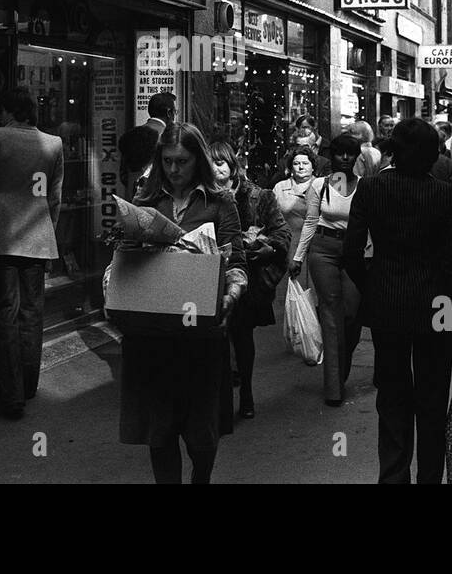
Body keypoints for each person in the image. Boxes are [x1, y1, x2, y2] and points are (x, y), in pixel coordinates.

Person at [343, 119, 452, 483]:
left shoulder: (370, 189)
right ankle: (429, 477)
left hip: (388, 308)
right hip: (437, 309)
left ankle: (394, 475)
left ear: (393, 150)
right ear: (433, 156)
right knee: (432, 401)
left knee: (393, 398)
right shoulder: (444, 194)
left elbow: (351, 252)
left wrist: (373, 289)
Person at [121, 123, 247, 484]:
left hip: (202, 335)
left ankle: (201, 478)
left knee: (201, 434)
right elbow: (124, 258)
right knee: (159, 432)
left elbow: (237, 262)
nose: (175, 170)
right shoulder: (146, 202)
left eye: (183, 161)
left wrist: (231, 294)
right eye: (168, 161)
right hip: (155, 334)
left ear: (199, 160)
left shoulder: (219, 202)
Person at [0, 87, 64, 419]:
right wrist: (48, 234)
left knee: (4, 313)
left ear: (9, 111)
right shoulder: (53, 144)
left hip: (2, 236)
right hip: (38, 239)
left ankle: (11, 397)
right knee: (32, 312)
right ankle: (28, 385)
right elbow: (54, 198)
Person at [209, 142, 291, 419]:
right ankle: (221, 397)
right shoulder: (203, 197)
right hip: (211, 274)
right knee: (217, 336)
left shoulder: (258, 196)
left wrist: (269, 246)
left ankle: (245, 391)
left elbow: (281, 231)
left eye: (221, 162)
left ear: (233, 166)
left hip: (247, 275)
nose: (215, 168)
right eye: (210, 162)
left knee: (242, 334)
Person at [289, 134, 366, 405]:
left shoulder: (365, 186)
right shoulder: (319, 185)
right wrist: (298, 257)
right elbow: (310, 222)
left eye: (350, 153)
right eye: (340, 153)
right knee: (331, 314)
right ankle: (333, 388)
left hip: (354, 253)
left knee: (351, 316)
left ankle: (340, 371)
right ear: (331, 156)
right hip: (323, 250)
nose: (345, 158)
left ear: (357, 156)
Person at [273, 147, 319, 290]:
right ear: (290, 167)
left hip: (314, 247)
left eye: (305, 163)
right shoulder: (280, 187)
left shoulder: (321, 186)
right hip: (287, 246)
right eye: (296, 163)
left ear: (313, 167)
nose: (300, 167)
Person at [118, 92, 176, 198]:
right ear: (169, 113)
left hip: (132, 198)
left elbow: (123, 175)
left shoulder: (130, 135)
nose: (174, 116)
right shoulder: (168, 137)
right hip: (158, 200)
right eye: (174, 112)